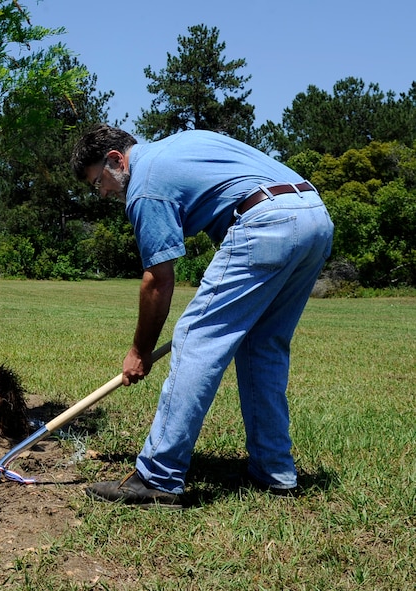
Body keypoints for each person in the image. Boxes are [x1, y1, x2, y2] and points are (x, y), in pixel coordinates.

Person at [70, 124, 334, 508]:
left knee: (196, 339)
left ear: (116, 160)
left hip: (266, 221)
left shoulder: (144, 186)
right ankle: (274, 472)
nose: (104, 194)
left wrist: (139, 351)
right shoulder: (182, 142)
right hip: (313, 216)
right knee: (263, 345)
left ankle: (157, 477)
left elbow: (158, 280)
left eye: (99, 182)